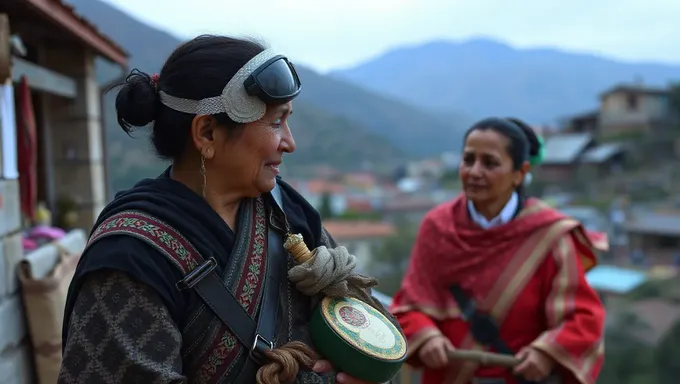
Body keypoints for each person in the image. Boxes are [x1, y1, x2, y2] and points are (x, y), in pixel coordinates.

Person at [58, 35, 388, 384]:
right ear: (208, 133)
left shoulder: (286, 211)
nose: (290, 143)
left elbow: (367, 329)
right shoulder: (131, 258)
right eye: (276, 122)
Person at [390, 117, 607, 384]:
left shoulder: (550, 235)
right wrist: (427, 336)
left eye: (490, 163)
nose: (475, 171)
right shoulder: (437, 226)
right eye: (468, 160)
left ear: (520, 172)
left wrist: (546, 352)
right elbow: (409, 305)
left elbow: (582, 318)